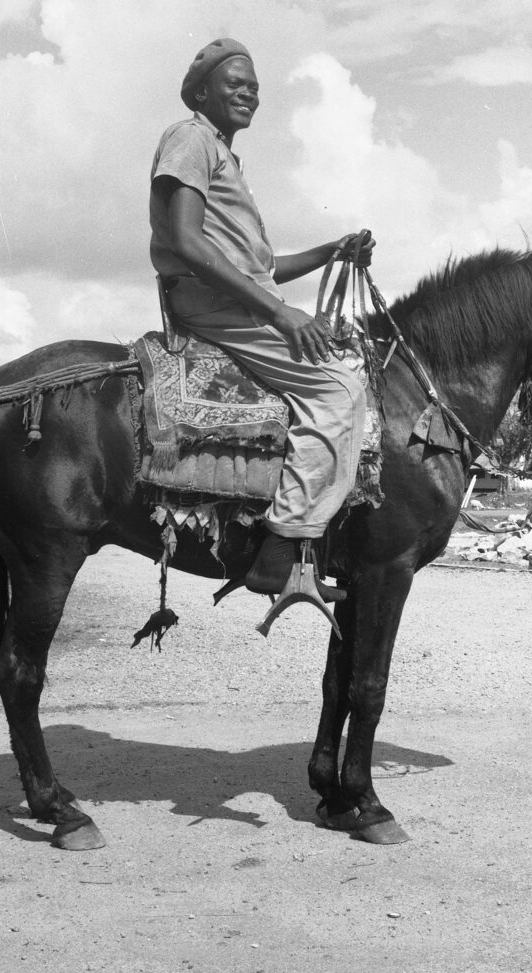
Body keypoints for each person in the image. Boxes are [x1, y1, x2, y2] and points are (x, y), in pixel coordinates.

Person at [149, 38, 373, 600]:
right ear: (201, 93)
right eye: (235, 83)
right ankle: (284, 548)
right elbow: (185, 239)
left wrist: (331, 250)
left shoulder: (222, 154)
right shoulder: (190, 138)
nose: (249, 93)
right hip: (214, 300)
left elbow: (263, 268)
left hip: (236, 295)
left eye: (254, 87)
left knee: (344, 359)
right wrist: (279, 311)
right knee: (340, 383)